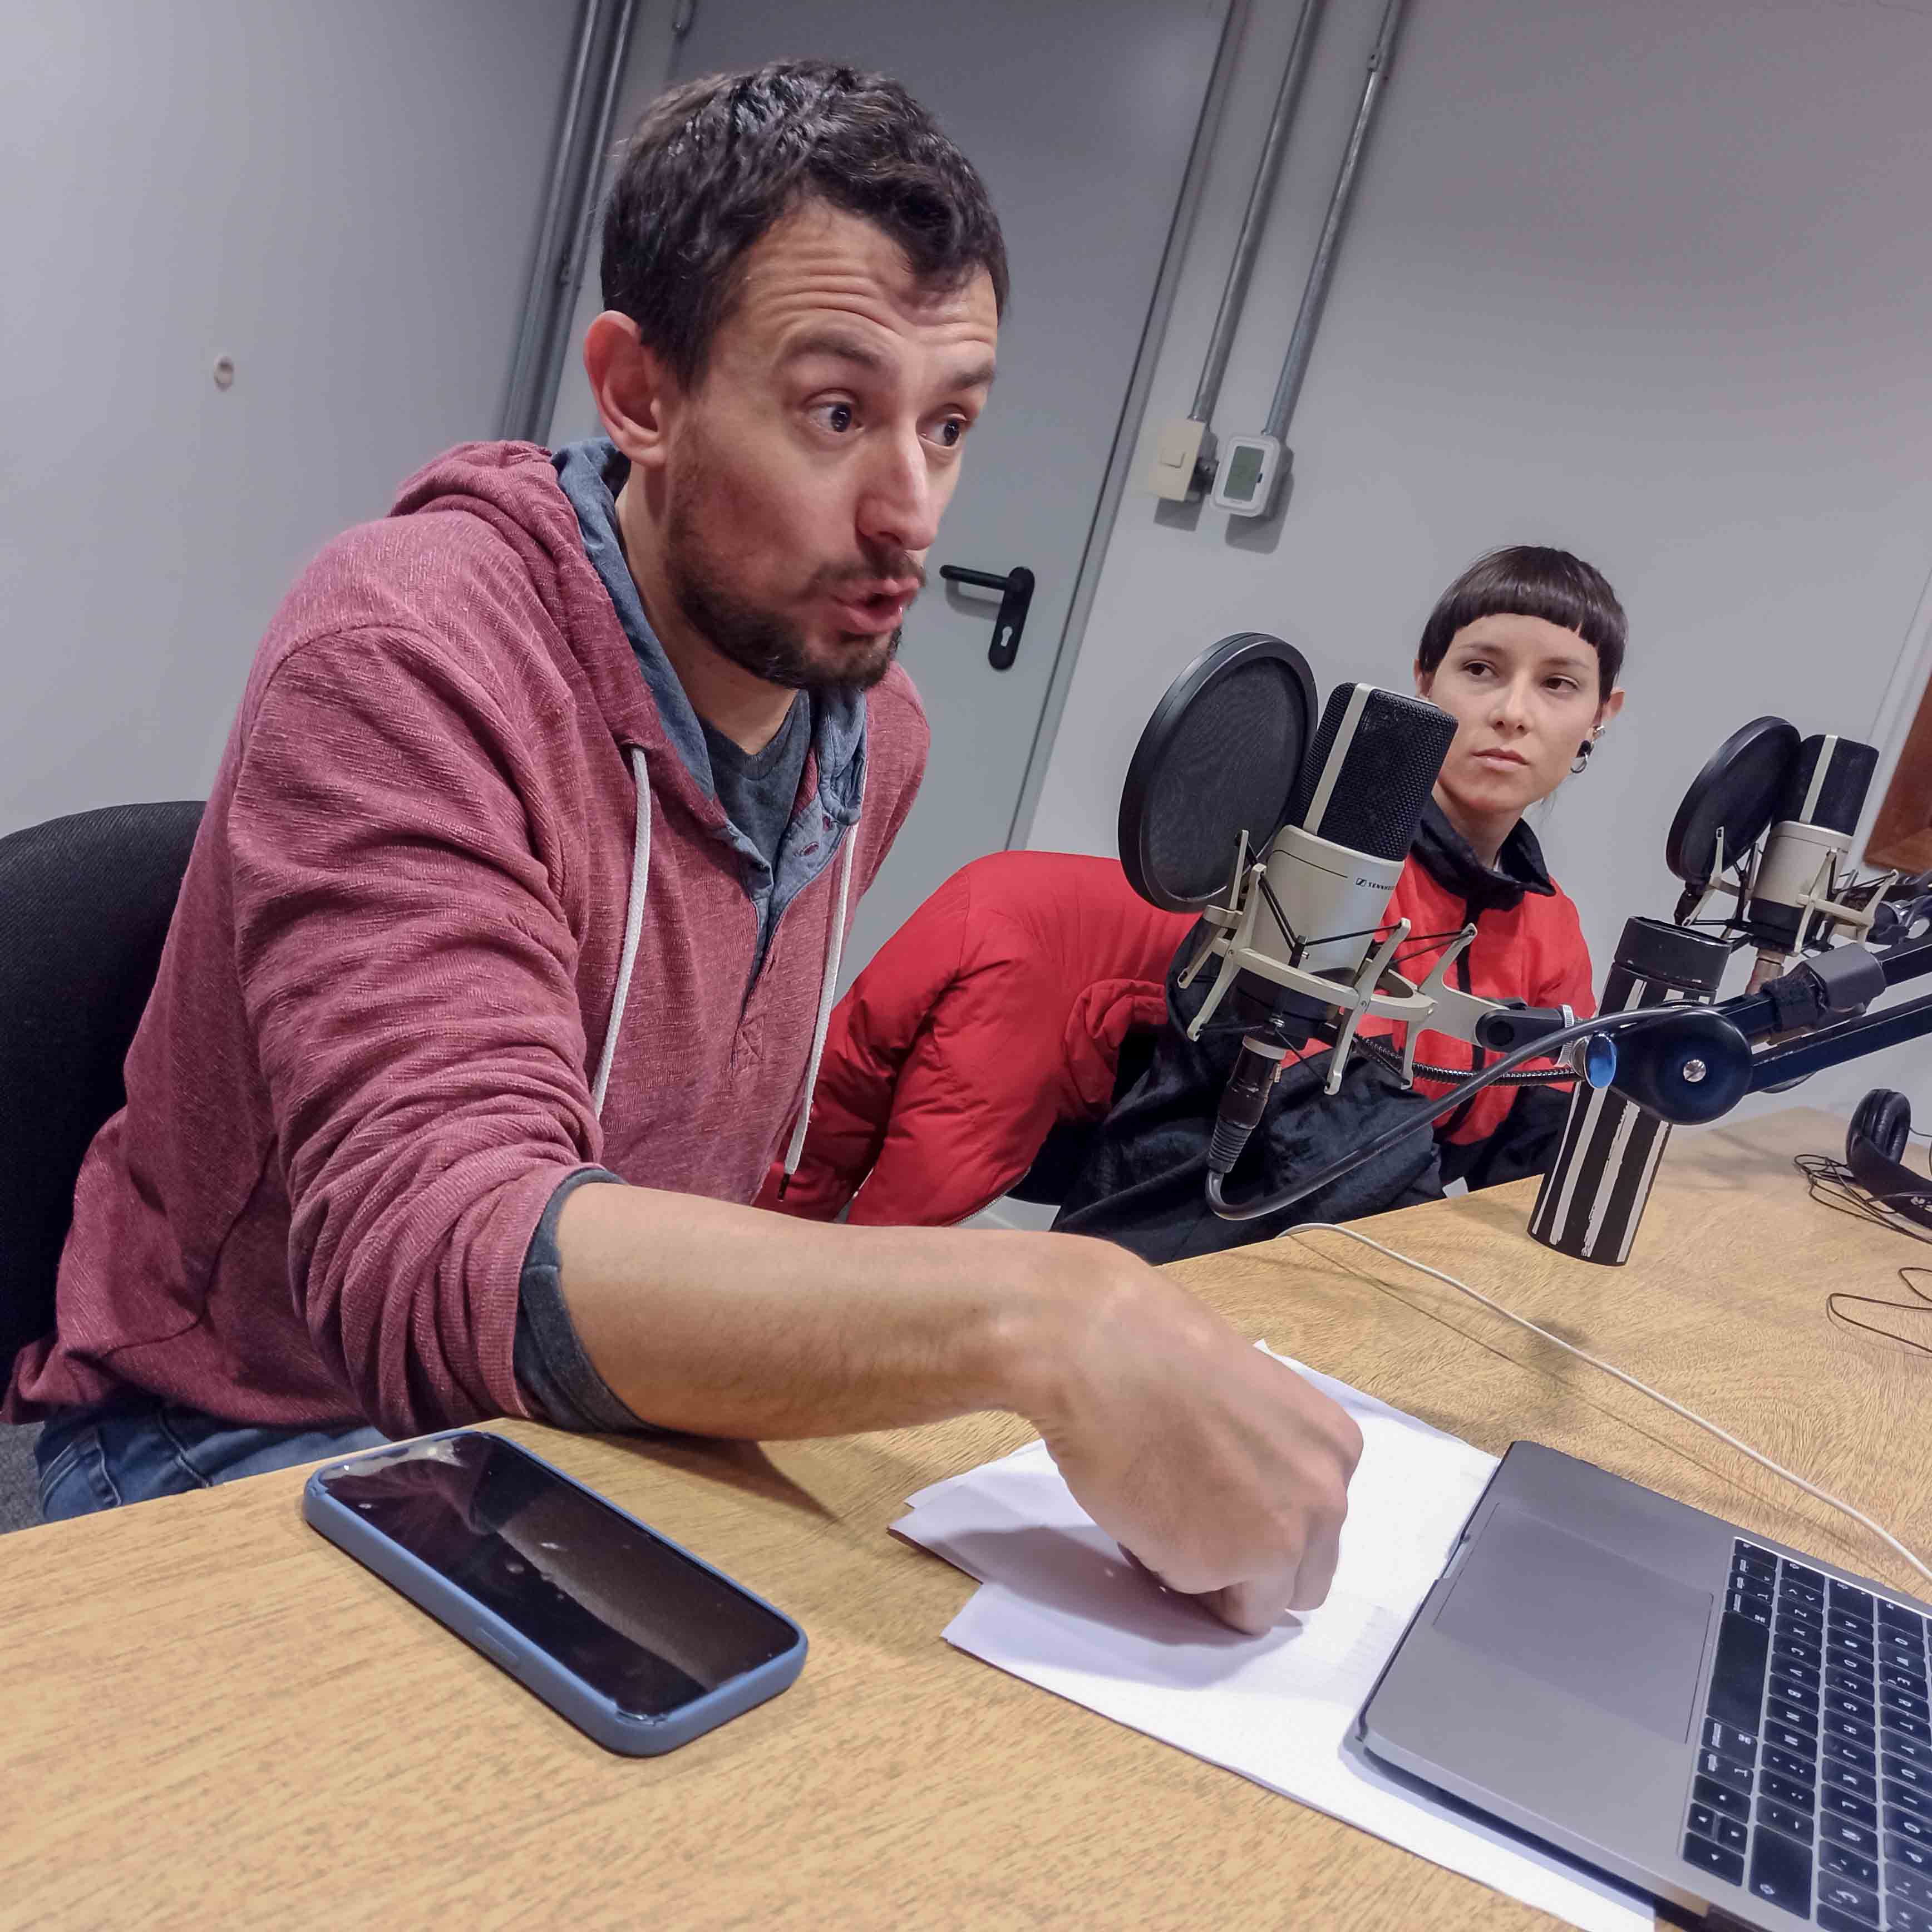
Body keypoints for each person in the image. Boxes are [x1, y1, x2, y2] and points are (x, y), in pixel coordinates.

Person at [7, 62, 1359, 1635]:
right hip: (234, 1431)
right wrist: (1043, 1312)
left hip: (569, 1424)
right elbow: (435, 1261)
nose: (912, 511)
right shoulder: (404, 650)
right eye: (837, 414)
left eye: (949, 424)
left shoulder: (877, 730)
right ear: (640, 394)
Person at [1053, 545, 1628, 1261]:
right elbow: (1324, 1115)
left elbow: (1537, 1145)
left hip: (1355, 1256)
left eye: (1557, 684)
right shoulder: (1326, 857)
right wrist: (1445, 1265)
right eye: (1480, 670)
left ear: (1600, 714)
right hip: (1175, 1244)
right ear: (1426, 680)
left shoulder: (1549, 923)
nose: (1512, 713)